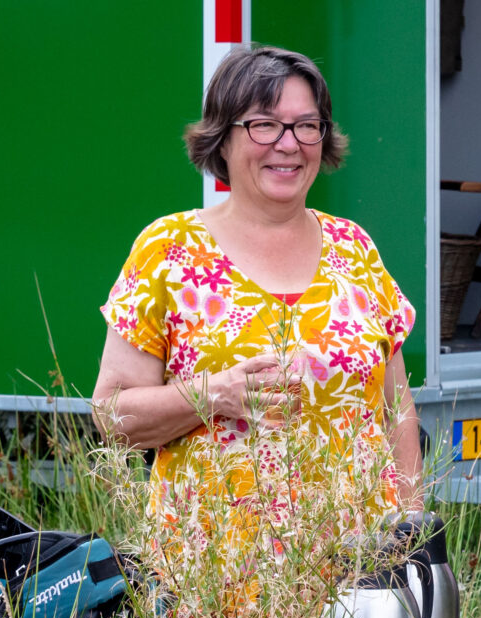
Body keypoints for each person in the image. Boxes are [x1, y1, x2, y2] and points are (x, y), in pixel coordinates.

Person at [92, 46, 422, 551]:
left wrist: (414, 533)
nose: (288, 144)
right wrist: (212, 395)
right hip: (213, 586)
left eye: (306, 125)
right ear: (222, 138)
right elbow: (112, 416)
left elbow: (397, 409)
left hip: (357, 581)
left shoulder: (354, 249)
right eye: (264, 125)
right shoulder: (170, 252)